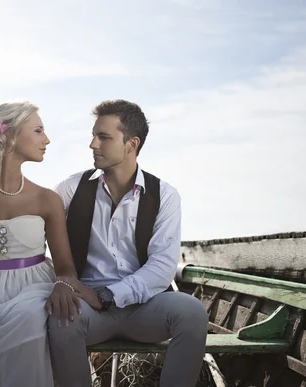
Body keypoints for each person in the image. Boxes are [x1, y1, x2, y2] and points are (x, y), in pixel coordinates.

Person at [48, 99, 209, 387]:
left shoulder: (165, 195)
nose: (93, 144)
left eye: (104, 137)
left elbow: (162, 266)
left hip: (144, 307)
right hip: (87, 307)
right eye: (94, 135)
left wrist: (109, 295)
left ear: (131, 144)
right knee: (62, 319)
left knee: (193, 312)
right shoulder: (70, 189)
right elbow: (29, 234)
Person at [0, 100, 99, 387]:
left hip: (35, 289)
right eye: (38, 130)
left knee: (29, 317)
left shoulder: (47, 199)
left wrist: (63, 285)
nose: (47, 140)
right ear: (11, 136)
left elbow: (66, 268)